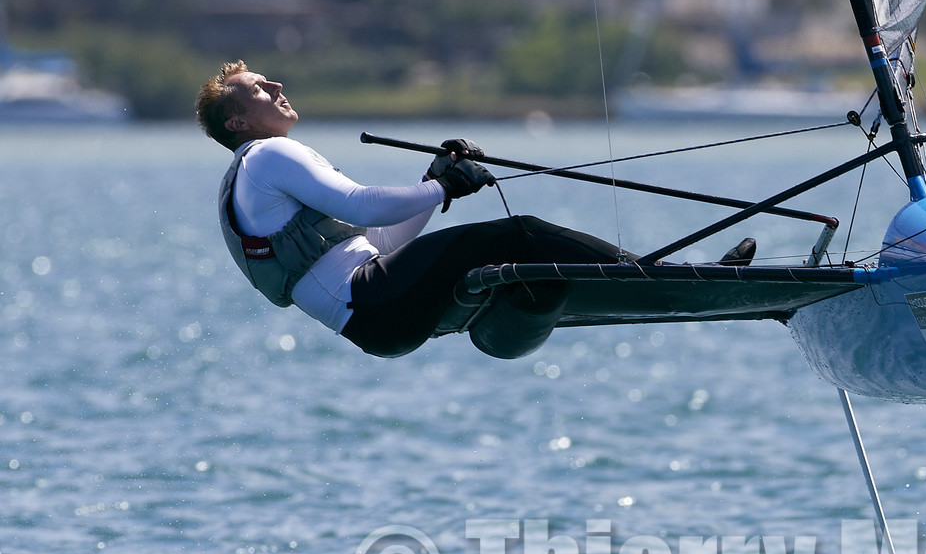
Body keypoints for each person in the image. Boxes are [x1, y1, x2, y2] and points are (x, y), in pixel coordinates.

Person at [196, 61, 753, 358]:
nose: (277, 84)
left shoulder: (259, 176)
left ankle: (659, 281)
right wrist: (447, 189)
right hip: (370, 300)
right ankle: (674, 280)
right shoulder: (268, 156)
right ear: (237, 123)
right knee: (520, 234)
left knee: (522, 252)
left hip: (377, 318)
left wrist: (432, 181)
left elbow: (382, 243)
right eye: (259, 89)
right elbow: (361, 204)